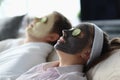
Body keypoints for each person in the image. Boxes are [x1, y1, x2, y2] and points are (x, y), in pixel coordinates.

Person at [16, 22, 110, 80]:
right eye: (71, 29)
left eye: (76, 33)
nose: (64, 31)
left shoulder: (72, 78)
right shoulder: (43, 67)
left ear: (86, 53)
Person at [0, 11, 72, 79]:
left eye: (44, 20)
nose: (35, 19)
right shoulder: (16, 42)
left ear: (52, 37)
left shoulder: (30, 56)